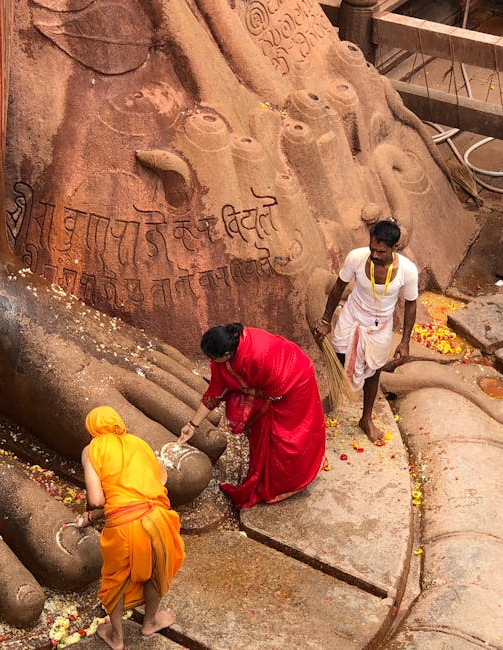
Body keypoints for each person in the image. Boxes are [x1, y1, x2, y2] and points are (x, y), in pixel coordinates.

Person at [178, 324, 328, 509]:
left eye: (212, 357)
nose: (209, 361)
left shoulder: (257, 356)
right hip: (268, 387)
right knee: (261, 433)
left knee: (283, 438)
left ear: (227, 354)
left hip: (294, 382)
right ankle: (264, 472)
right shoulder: (224, 360)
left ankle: (285, 483)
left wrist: (250, 411)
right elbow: (214, 393)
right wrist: (192, 425)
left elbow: (273, 395)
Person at [77, 406, 185, 650]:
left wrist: (89, 515)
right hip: (157, 517)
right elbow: (160, 479)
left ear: (92, 430)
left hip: (124, 524)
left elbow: (96, 500)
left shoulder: (92, 449)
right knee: (156, 570)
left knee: (116, 579)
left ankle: (117, 637)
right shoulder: (139, 443)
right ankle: (150, 622)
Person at [313, 220, 418, 443]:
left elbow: (411, 304)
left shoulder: (407, 271)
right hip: (352, 317)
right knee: (339, 359)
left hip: (380, 327)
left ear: (394, 248)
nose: (374, 255)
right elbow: (338, 287)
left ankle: (366, 419)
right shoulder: (357, 257)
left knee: (374, 370)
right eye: (372, 248)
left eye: (381, 251)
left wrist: (405, 341)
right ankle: (332, 398)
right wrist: (325, 319)